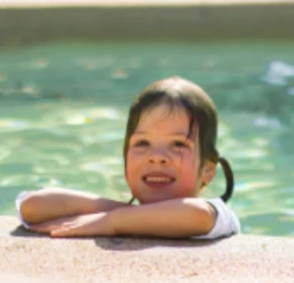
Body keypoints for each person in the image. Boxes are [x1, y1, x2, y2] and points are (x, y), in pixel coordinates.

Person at [16, 76, 240, 239]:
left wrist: (111, 221)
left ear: (208, 170)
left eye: (178, 144)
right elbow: (32, 206)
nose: (157, 157)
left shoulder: (218, 214)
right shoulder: (122, 212)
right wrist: (114, 210)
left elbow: (196, 215)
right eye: (142, 143)